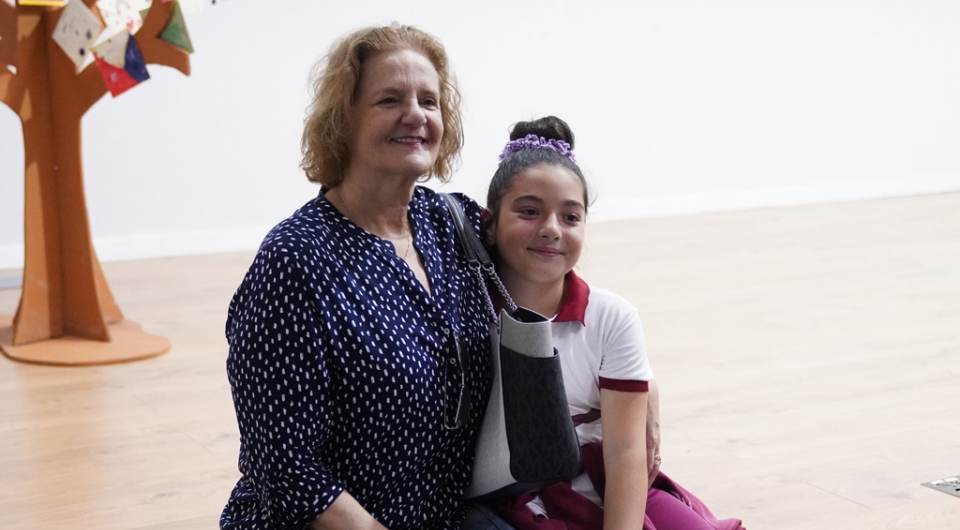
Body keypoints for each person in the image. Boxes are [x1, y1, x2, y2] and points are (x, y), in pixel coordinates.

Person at [220, 24, 511, 530]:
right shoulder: (295, 261)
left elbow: (550, 285)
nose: (415, 115)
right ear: (343, 120)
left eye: (429, 101)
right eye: (389, 99)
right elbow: (285, 468)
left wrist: (632, 379)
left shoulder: (455, 223)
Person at [480, 116, 746, 530]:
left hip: (612, 485)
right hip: (518, 495)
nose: (551, 230)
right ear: (489, 224)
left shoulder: (611, 317)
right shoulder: (467, 310)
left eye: (571, 217)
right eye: (529, 212)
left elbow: (625, 454)